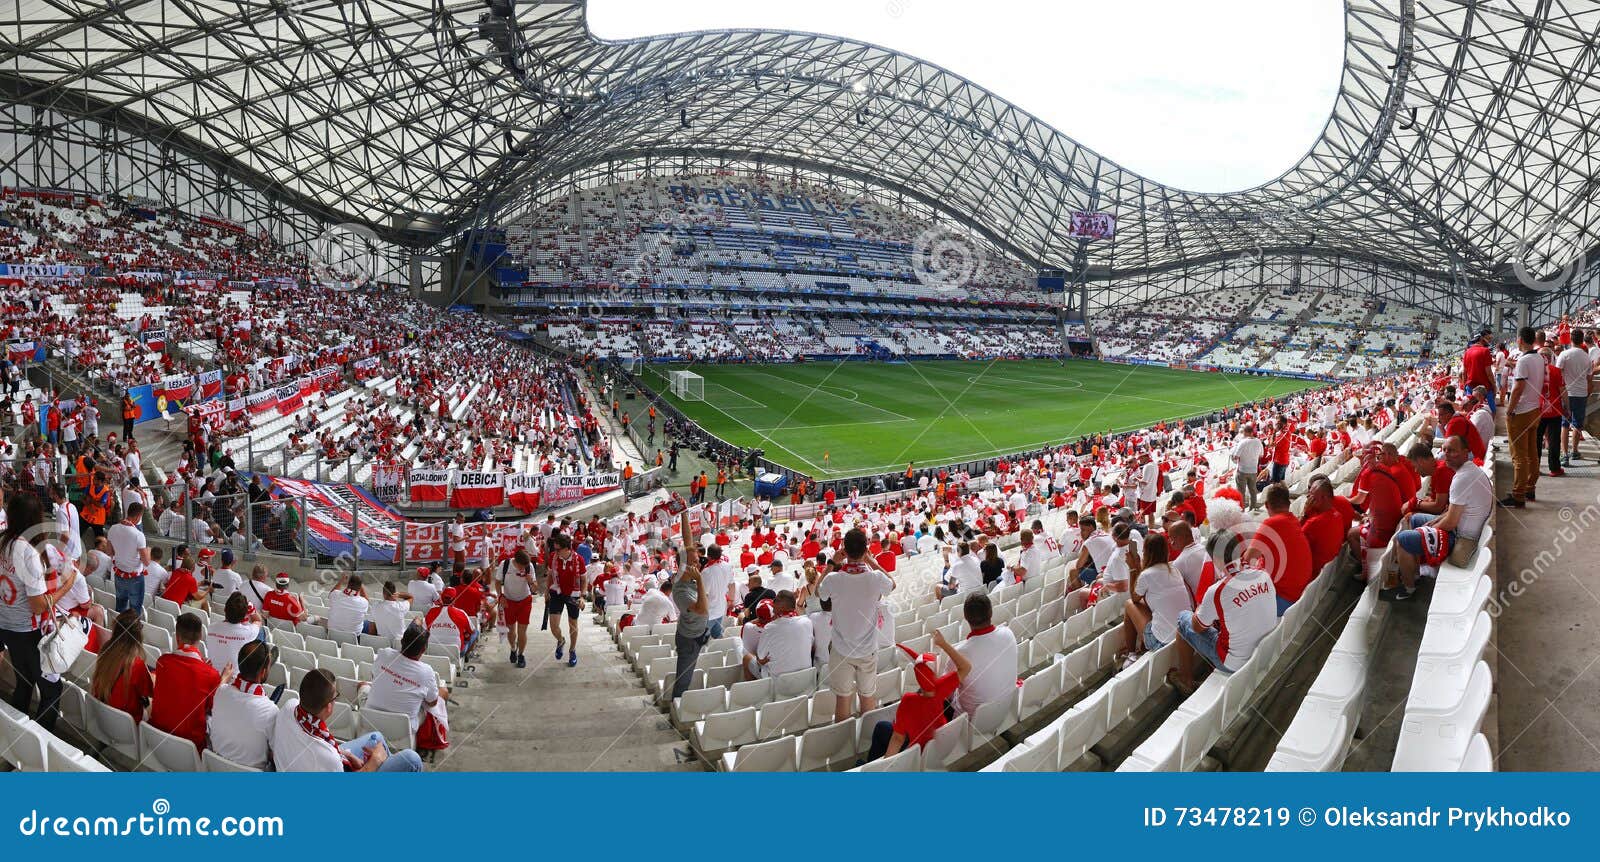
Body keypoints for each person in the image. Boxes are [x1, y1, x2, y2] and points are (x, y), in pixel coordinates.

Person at [0, 492, 78, 730]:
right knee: (51, 689)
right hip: (27, 631)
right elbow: (38, 605)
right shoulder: (28, 553)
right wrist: (68, 585)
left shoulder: (3, 541)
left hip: (6, 626)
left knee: (24, 683)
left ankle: (18, 736)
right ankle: (41, 740)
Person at [1390, 435, 1495, 600]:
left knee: (1402, 540)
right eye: (1445, 450)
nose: (1446, 454)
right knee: (1416, 519)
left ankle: (1409, 588)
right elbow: (1451, 511)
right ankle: (1414, 572)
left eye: (1452, 450)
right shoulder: (1467, 471)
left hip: (1460, 538)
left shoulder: (1461, 478)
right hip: (1461, 529)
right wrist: (1434, 522)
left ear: (1465, 452)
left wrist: (1429, 528)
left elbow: (1451, 521)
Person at [1170, 545, 1278, 694]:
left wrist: (1203, 607)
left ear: (1216, 559)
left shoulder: (1217, 590)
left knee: (1183, 619)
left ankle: (1185, 679)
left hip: (1234, 662)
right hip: (1266, 650)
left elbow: (1197, 627)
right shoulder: (1263, 574)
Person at [271, 668, 423, 772]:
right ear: (329, 707)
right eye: (335, 697)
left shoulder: (289, 707)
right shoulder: (329, 758)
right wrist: (375, 761)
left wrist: (348, 755)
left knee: (376, 737)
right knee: (412, 759)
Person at [818, 528, 895, 723]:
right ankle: (866, 739)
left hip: (841, 650)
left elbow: (818, 592)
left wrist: (832, 563)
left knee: (843, 699)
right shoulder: (875, 578)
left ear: (843, 549)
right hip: (867, 650)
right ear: (865, 550)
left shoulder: (834, 579)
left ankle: (843, 742)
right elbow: (892, 584)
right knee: (867, 697)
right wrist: (871, 561)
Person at [867, 630, 970, 761]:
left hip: (918, 752)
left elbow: (898, 738)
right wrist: (943, 644)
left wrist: (885, 766)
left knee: (882, 727)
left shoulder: (908, 700)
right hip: (940, 745)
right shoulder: (942, 687)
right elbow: (966, 667)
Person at [366, 624, 448, 755]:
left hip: (370, 721)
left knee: (364, 686)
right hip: (402, 730)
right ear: (424, 649)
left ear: (402, 642)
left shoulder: (384, 653)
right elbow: (432, 703)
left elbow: (374, 677)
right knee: (442, 692)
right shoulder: (426, 671)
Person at [150, 612, 225, 752]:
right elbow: (212, 707)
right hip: (191, 749)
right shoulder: (211, 675)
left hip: (157, 739)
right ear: (200, 637)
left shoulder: (162, 662)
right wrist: (222, 679)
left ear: (177, 637)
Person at [1121, 532, 1191, 665]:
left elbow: (1134, 598)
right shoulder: (1174, 569)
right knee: (1146, 602)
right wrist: (1137, 567)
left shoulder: (1147, 575)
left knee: (1129, 604)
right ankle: (1137, 649)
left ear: (1146, 552)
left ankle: (1131, 654)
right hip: (1182, 639)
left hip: (1161, 641)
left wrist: (1132, 569)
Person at [208, 640, 279, 770]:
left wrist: (223, 680)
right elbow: (276, 754)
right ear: (263, 673)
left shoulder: (221, 691)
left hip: (217, 769)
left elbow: (221, 690)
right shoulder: (271, 711)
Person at [1245, 483, 1313, 615]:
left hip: (1282, 598)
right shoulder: (1292, 520)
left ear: (1266, 505)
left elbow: (1248, 559)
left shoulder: (1272, 523)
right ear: (1288, 504)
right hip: (1297, 593)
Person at [952, 592, 1018, 716]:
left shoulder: (960, 652)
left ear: (965, 617)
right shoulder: (1008, 633)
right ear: (991, 613)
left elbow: (947, 688)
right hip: (1005, 709)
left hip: (970, 721)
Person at [1503, 326, 1545, 508]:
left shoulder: (1523, 361)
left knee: (1518, 455)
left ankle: (1518, 495)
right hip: (1534, 409)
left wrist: (1509, 409)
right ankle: (1530, 487)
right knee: (1532, 453)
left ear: (1520, 340)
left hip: (1520, 412)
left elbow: (1518, 388)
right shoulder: (1539, 358)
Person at [90, 609, 155, 725]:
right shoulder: (137, 665)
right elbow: (149, 692)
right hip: (127, 724)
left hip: (101, 716)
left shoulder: (105, 649)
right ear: (138, 635)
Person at [546, 532, 586, 667]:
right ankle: (561, 640)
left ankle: (572, 650)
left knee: (573, 625)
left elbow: (584, 579)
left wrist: (582, 596)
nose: (555, 551)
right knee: (553, 625)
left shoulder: (578, 559)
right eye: (554, 549)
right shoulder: (553, 557)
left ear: (566, 548)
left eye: (558, 549)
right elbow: (550, 575)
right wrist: (546, 591)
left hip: (573, 594)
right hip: (557, 591)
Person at [753, 590, 813, 678]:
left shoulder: (770, 627)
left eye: (775, 600)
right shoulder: (807, 622)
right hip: (805, 680)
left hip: (779, 684)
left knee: (747, 658)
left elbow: (761, 657)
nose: (773, 602)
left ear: (780, 605)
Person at [107, 500, 150, 613]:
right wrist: (148, 551)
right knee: (135, 609)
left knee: (120, 605)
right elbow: (146, 562)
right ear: (138, 517)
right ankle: (133, 630)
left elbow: (109, 552)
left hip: (119, 574)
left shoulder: (112, 528)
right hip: (135, 577)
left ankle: (120, 628)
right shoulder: (138, 535)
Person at [205, 591, 264, 672]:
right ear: (244, 615)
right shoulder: (248, 632)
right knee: (261, 631)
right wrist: (253, 610)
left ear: (225, 609)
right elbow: (258, 621)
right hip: (234, 679)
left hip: (212, 673)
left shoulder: (211, 628)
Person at [498, 550, 537, 667]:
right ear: (516, 561)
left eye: (525, 566)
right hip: (509, 601)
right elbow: (497, 581)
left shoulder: (529, 567)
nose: (523, 569)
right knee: (511, 630)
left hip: (525, 600)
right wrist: (501, 596)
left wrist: (531, 582)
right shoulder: (505, 565)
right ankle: (513, 648)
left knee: (522, 631)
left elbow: (535, 589)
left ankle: (521, 654)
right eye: (521, 566)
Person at [1559, 329, 1591, 465]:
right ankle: (1575, 451)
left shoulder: (1564, 354)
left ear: (1570, 339)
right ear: (1582, 340)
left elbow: (1558, 373)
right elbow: (1589, 378)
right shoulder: (1586, 357)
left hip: (1567, 392)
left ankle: (1564, 454)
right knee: (1578, 424)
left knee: (1565, 424)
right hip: (1581, 393)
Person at [698, 543, 735, 638]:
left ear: (708, 556)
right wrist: (731, 600)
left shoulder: (706, 572)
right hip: (721, 607)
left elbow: (704, 595)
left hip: (709, 612)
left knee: (701, 639)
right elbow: (732, 584)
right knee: (717, 635)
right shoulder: (728, 566)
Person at [1230, 424, 1264, 510]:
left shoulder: (1242, 442)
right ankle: (1252, 509)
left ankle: (1242, 510)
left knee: (1241, 492)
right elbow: (1261, 455)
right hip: (1253, 470)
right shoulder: (1258, 441)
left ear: (1245, 432)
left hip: (1242, 470)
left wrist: (1233, 455)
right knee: (1253, 491)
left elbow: (1236, 457)